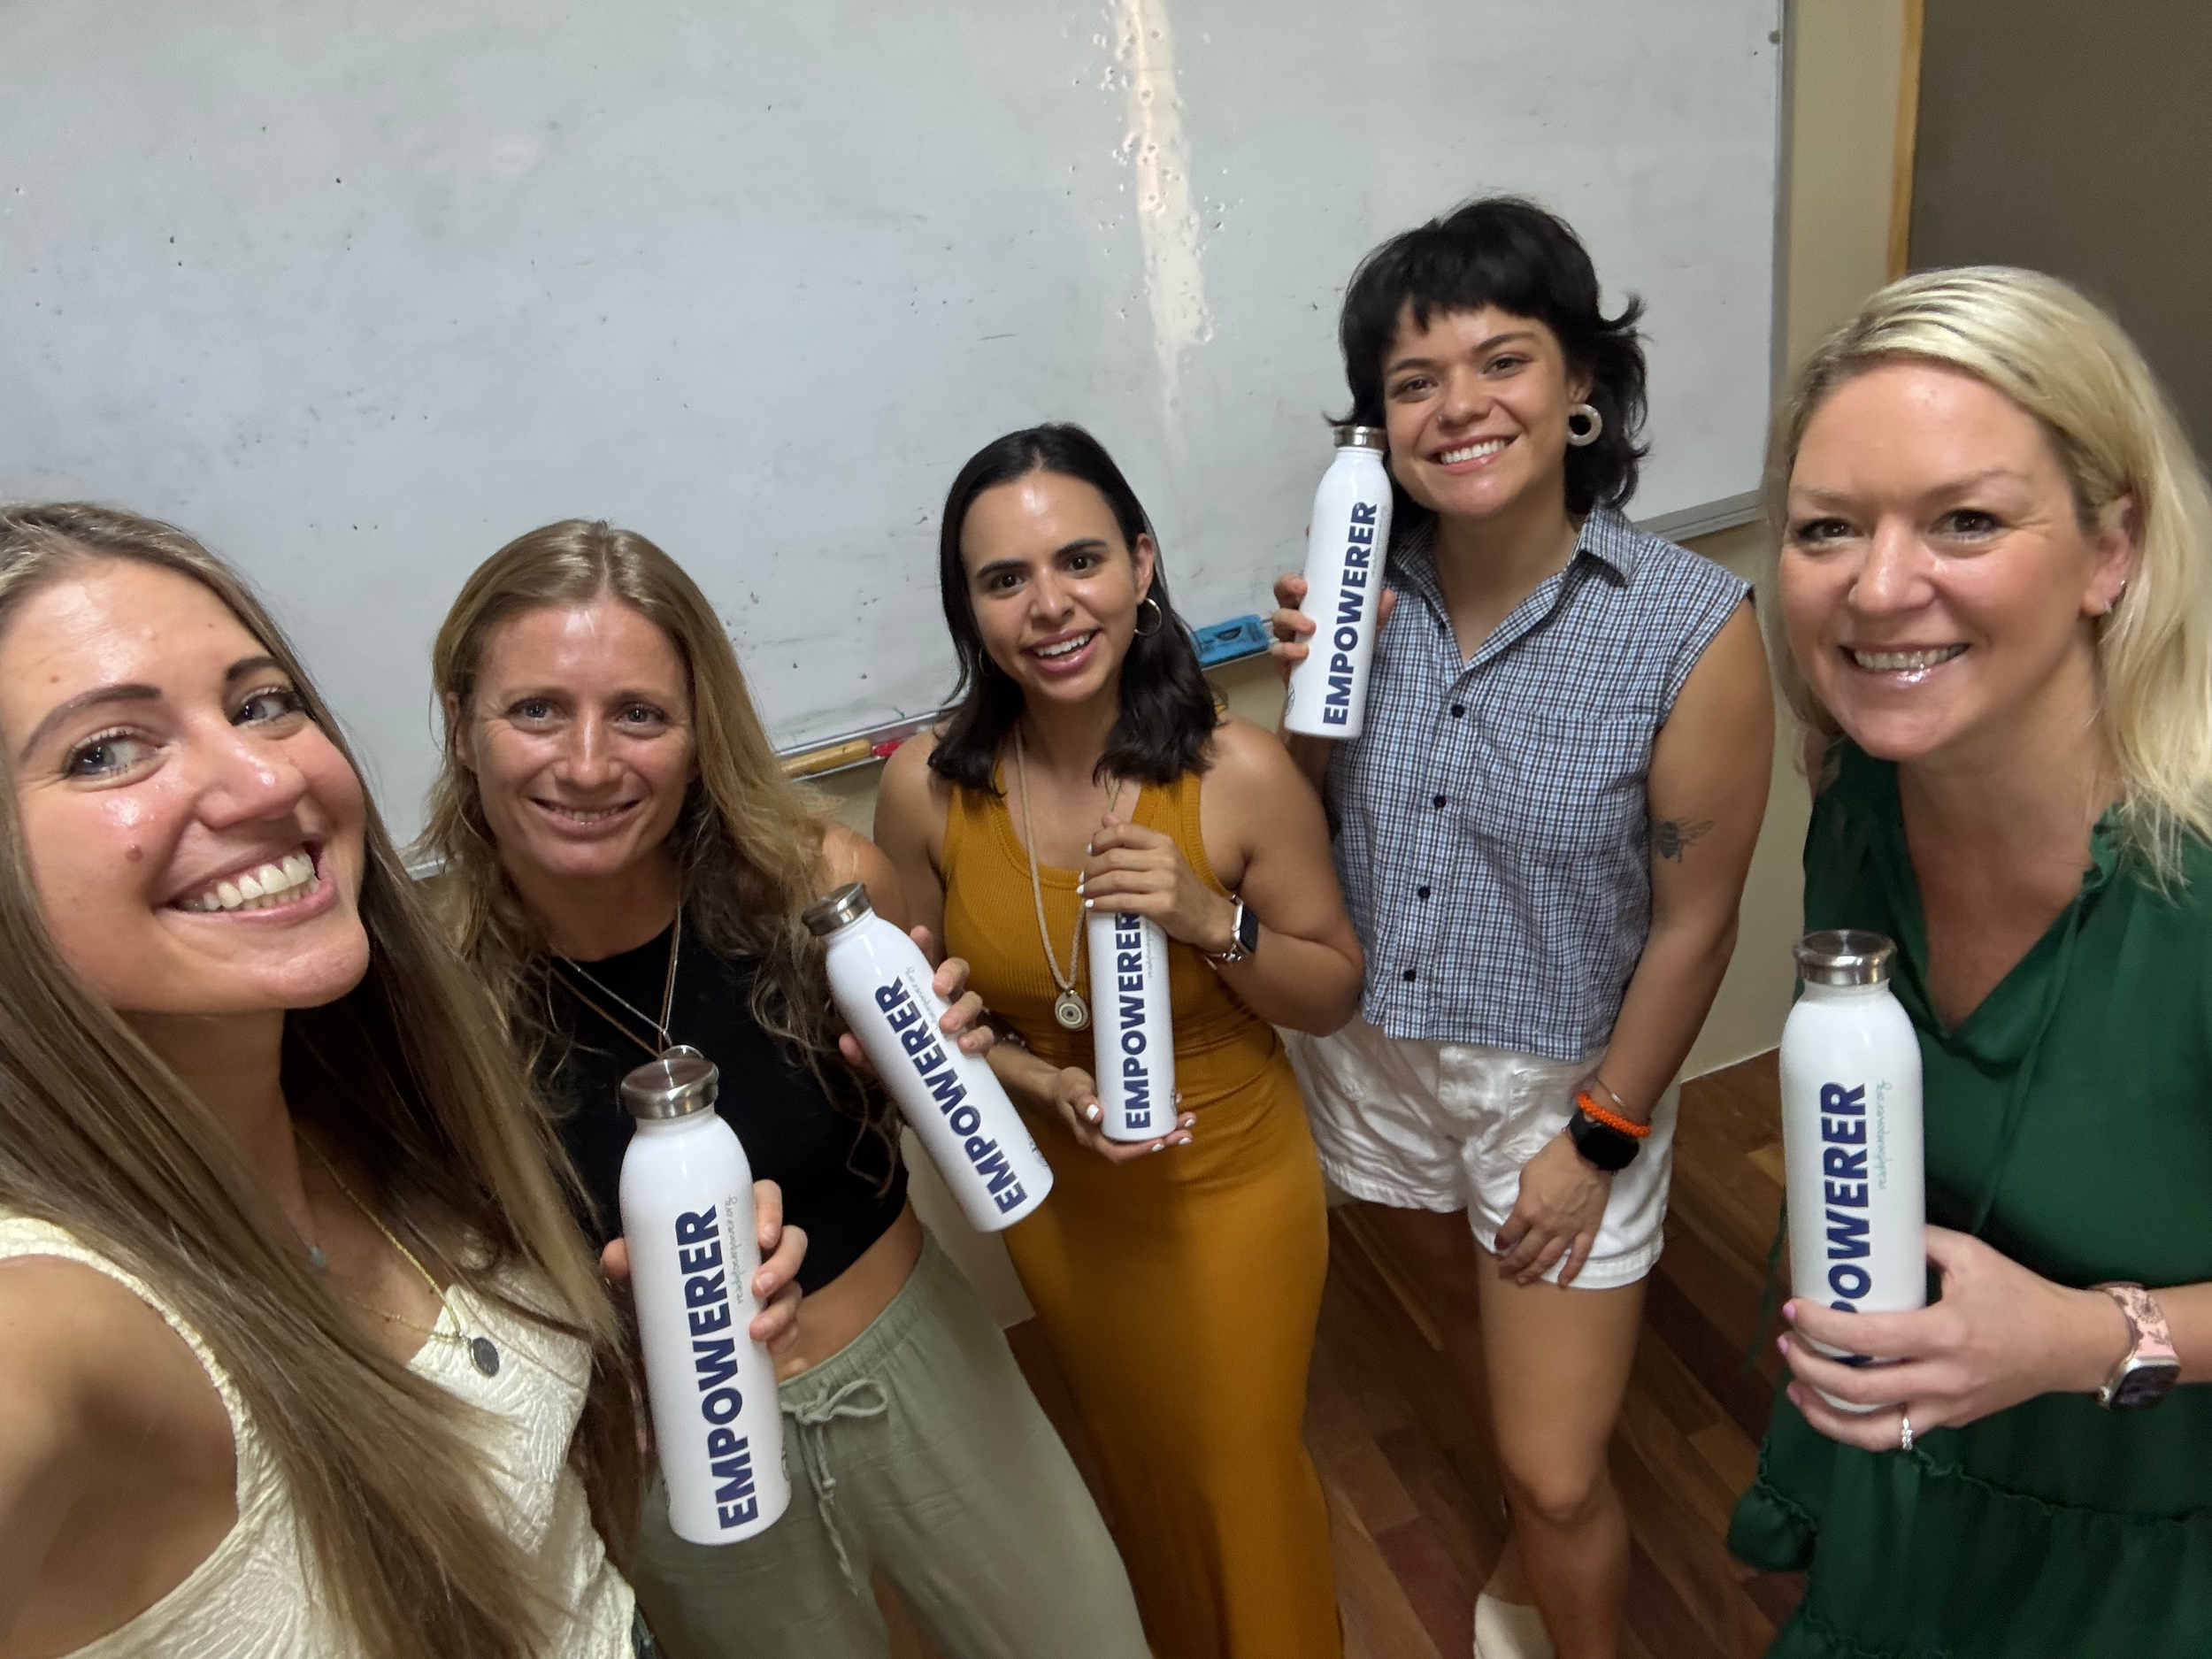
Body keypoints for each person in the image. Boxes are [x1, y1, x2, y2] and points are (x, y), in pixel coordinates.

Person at [0, 502, 802, 1659]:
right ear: (462, 728)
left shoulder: (395, 1108)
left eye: (261, 703)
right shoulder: (50, 1316)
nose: (262, 779)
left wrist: (622, 1347)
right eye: (106, 750)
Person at [418, 518, 1150, 1659]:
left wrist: (963, 1054)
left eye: (640, 714)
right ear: (464, 724)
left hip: (920, 1372)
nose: (589, 763)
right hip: (673, 1454)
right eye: (537, 711)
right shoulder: (438, 1003)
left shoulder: (819, 886)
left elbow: (939, 1107)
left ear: (699, 733)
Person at [1268, 197, 1774, 1659]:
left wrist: (1598, 1136)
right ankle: (1514, 1515)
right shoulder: (1364, 589)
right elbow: (1307, 829)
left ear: (1581, 388)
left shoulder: (1689, 627)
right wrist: (1317, 697)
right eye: (1413, 381)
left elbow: (1695, 925)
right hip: (1376, 1050)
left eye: (1503, 360)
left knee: (1560, 1470)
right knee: (1467, 1326)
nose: (1459, 406)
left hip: (1564, 1086)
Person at [1727, 267, 2212, 1656]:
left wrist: (2085, 1338)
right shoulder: (1862, 802)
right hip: (1914, 1498)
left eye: (1967, 520)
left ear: (2112, 551)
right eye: (1828, 527)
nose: (1881, 587)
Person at [875, 422, 1365, 1659]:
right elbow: (920, 1023)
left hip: (1225, 1185)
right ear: (970, 608)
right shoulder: (925, 787)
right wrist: (1040, 1080)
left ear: (1141, 565)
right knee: (1134, 1463)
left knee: (1240, 1482)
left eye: (1081, 560)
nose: (1050, 606)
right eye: (1005, 579)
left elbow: (1330, 991)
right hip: (1056, 1191)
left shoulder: (1239, 772)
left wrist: (1213, 920)